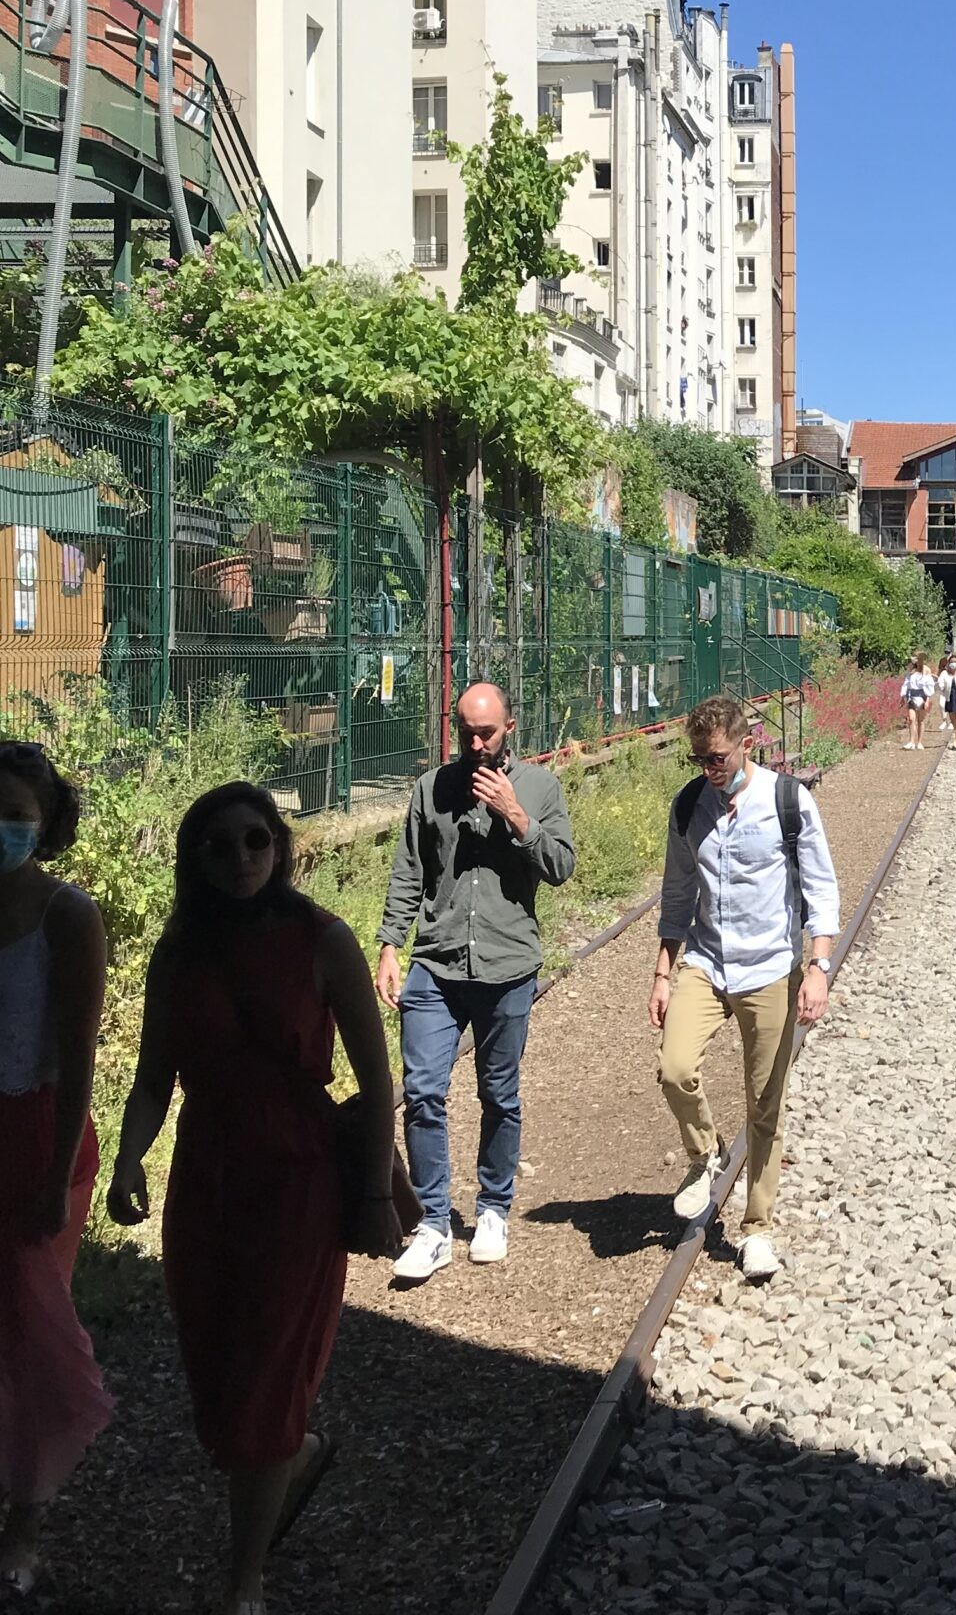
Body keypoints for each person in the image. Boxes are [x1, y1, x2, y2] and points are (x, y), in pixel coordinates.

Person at [108, 783, 400, 1615]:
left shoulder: (323, 940)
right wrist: (129, 1159)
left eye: (253, 842)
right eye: (216, 845)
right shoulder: (181, 949)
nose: (238, 859)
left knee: (267, 1378)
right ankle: (293, 1454)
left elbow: (376, 1079)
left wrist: (375, 1193)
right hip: (207, 1182)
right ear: (193, 859)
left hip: (297, 1182)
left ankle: (245, 1583)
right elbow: (153, 1075)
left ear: (279, 846)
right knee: (218, 1371)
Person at [374, 681, 575, 1282]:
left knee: (499, 1095)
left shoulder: (540, 786)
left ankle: (492, 1209)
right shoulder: (431, 788)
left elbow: (561, 867)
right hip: (435, 964)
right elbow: (410, 867)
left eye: (486, 731)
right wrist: (389, 944)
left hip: (508, 964)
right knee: (423, 1091)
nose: (475, 742)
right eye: (465, 731)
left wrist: (515, 814)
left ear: (509, 727)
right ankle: (434, 1223)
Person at [649, 695, 840, 1283]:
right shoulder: (688, 807)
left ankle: (758, 1228)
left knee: (765, 1103)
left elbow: (822, 888)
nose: (709, 769)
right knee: (674, 1068)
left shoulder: (786, 800)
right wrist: (662, 972)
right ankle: (705, 1154)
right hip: (707, 962)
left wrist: (817, 968)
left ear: (746, 744)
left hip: (769, 967)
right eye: (700, 759)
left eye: (717, 758)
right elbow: (678, 896)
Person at [0, 744, 112, 1598]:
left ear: (45, 823)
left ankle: (26, 1518)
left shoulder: (66, 915)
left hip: (38, 1133)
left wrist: (50, 1174)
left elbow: (76, 1057)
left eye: (14, 816)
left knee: (35, 1335)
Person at [900, 654, 936, 749]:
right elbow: (906, 684)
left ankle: (919, 742)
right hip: (911, 696)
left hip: (922, 697)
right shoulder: (910, 672)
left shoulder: (926, 670)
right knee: (911, 719)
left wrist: (927, 699)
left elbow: (929, 685)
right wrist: (903, 696)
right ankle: (911, 741)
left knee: (921, 720)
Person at [936, 654, 956, 751]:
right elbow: (940, 684)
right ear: (948, 663)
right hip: (949, 698)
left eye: (955, 662)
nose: (953, 664)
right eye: (951, 662)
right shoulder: (944, 674)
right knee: (953, 719)